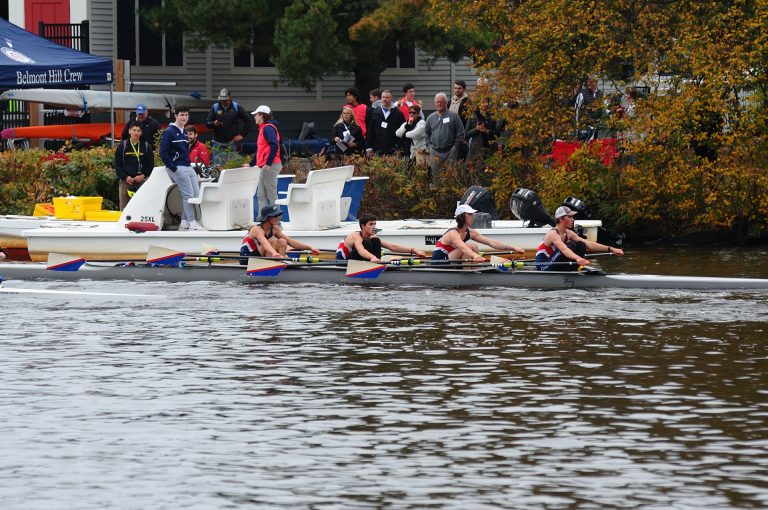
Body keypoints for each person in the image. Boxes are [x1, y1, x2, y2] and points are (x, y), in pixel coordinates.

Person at [535, 206, 624, 271]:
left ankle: (574, 269)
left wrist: (611, 249)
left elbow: (589, 244)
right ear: (561, 219)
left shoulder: (569, 233)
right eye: (569, 217)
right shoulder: (553, 234)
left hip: (555, 262)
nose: (573, 219)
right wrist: (578, 259)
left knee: (581, 244)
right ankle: (575, 267)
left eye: (572, 217)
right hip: (544, 265)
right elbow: (564, 250)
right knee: (571, 245)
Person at [432, 204, 525, 263]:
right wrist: (476, 256)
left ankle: (472, 270)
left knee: (474, 247)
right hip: (439, 261)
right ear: (462, 217)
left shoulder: (471, 232)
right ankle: (469, 274)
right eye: (470, 214)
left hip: (451, 260)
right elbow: (462, 247)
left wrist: (513, 247)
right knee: (470, 246)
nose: (473, 217)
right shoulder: (453, 233)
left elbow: (490, 242)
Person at [159, 106, 202, 230]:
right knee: (188, 196)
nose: (184, 117)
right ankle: (192, 223)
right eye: (181, 115)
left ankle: (184, 222)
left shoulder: (183, 131)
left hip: (187, 166)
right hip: (177, 167)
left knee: (195, 195)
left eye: (186, 115)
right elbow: (163, 152)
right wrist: (173, 168)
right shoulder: (169, 131)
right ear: (176, 116)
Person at [240, 204, 320, 263]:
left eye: (278, 215)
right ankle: (269, 264)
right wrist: (274, 253)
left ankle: (278, 264)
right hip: (247, 259)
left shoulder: (274, 228)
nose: (278, 218)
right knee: (272, 240)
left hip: (260, 256)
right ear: (267, 218)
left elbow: (291, 242)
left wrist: (310, 247)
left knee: (283, 241)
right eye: (275, 215)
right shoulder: (257, 229)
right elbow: (265, 243)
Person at [336, 213, 427, 263]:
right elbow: (361, 250)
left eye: (375, 224)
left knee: (376, 240)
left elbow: (392, 247)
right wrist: (372, 257)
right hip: (343, 263)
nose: (374, 227)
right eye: (371, 224)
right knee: (367, 242)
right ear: (363, 226)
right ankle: (374, 262)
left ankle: (376, 264)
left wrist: (414, 251)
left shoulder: (372, 236)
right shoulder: (355, 236)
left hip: (360, 260)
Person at [246, 105, 282, 210]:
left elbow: (274, 145)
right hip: (267, 165)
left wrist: (268, 163)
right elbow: (260, 149)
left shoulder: (268, 128)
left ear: (261, 115)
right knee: (261, 194)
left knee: (271, 194)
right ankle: (264, 221)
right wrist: (251, 164)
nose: (254, 117)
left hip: (270, 165)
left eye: (256, 115)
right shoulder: (264, 128)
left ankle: (276, 223)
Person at [205, 88, 252, 166]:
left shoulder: (236, 107)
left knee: (232, 164)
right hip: (217, 142)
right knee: (217, 165)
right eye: (221, 100)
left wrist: (242, 135)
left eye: (225, 100)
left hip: (232, 142)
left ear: (230, 98)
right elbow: (207, 123)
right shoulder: (215, 107)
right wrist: (214, 124)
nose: (223, 102)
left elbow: (248, 120)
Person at [114, 120, 154, 210]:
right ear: (129, 131)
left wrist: (143, 175)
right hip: (126, 180)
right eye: (134, 130)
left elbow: (150, 165)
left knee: (143, 206)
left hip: (142, 180)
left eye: (138, 131)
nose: (136, 133)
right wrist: (125, 177)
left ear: (141, 132)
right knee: (124, 207)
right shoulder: (122, 146)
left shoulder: (147, 146)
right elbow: (117, 166)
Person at [425, 92, 465, 175]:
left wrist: (455, 147)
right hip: (435, 152)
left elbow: (461, 133)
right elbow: (426, 133)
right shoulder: (430, 118)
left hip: (450, 152)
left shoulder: (454, 116)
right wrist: (429, 146)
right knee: (436, 175)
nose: (439, 104)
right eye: (437, 102)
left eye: (441, 102)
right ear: (435, 103)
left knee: (450, 176)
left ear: (446, 103)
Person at [365, 90, 406, 156]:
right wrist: (369, 147)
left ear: (391, 98)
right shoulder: (375, 112)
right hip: (377, 149)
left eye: (387, 97)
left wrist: (398, 147)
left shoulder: (398, 114)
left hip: (393, 150)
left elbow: (402, 131)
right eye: (383, 97)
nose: (385, 99)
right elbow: (370, 130)